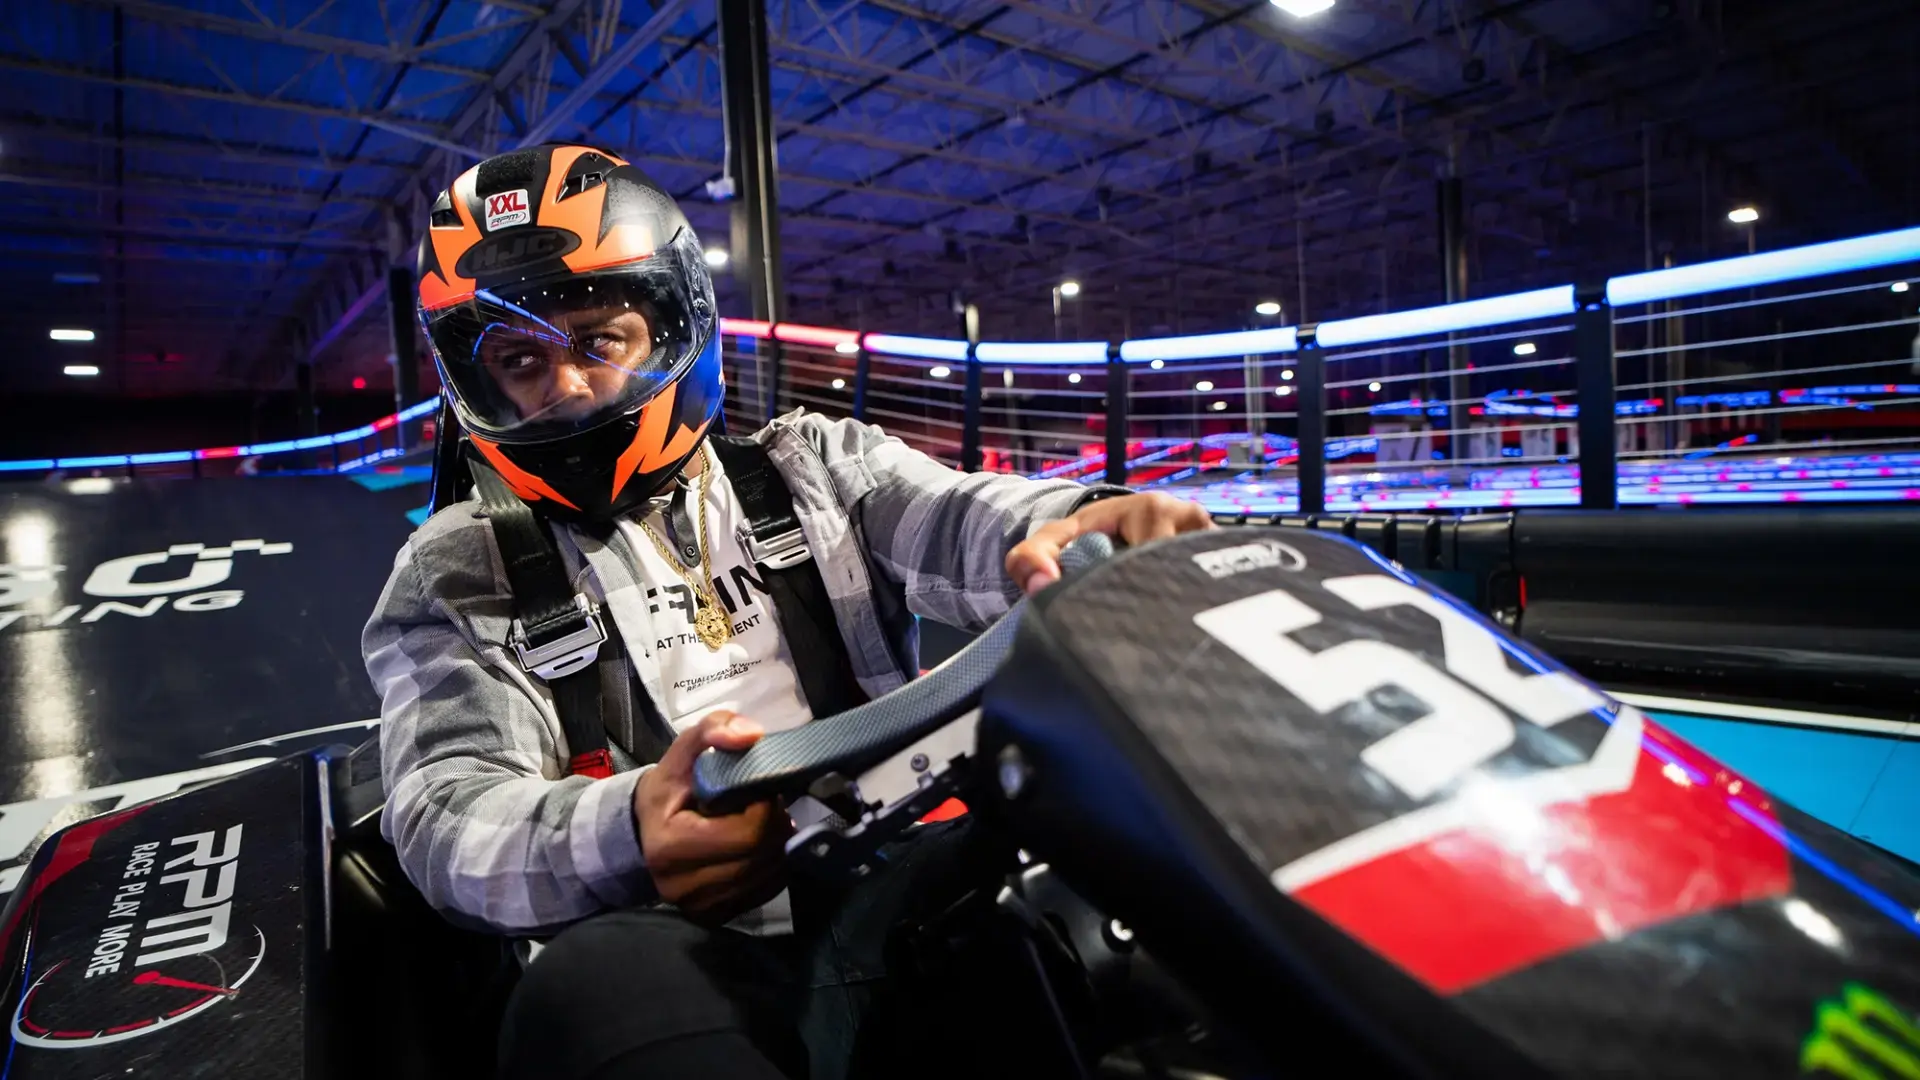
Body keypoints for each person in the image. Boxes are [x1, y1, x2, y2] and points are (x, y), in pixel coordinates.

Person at [363, 143, 1213, 1080]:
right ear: (473, 385)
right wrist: (632, 826)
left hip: (895, 892)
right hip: (666, 946)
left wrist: (1079, 523)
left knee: (1129, 867)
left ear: (673, 326)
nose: (565, 387)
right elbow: (445, 816)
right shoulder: (455, 568)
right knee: (588, 990)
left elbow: (968, 519)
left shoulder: (816, 469)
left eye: (599, 340)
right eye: (520, 359)